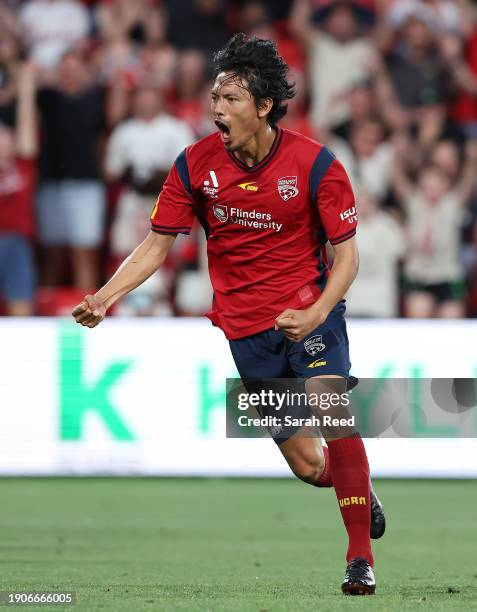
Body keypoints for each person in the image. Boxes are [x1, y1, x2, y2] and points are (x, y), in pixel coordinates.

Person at [72, 34, 385, 595]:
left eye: (231, 99)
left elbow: (348, 257)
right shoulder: (194, 165)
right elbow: (155, 244)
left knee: (333, 411)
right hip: (244, 328)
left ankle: (359, 557)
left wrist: (315, 312)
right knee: (309, 465)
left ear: (264, 106)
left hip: (310, 314)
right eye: (215, 97)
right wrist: (104, 297)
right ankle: (357, 489)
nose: (217, 109)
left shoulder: (315, 165)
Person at [0, 62, 38, 315]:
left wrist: (26, 88)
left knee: (21, 308)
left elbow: (26, 125)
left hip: (17, 244)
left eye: (6, 139)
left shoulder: (23, 165)